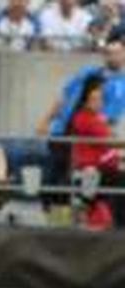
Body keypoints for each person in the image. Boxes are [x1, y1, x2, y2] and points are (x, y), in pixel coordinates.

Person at [37, 31, 125, 201]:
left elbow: (107, 118)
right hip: (61, 131)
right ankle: (52, 215)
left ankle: (66, 218)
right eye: (108, 52)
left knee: (72, 183)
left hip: (85, 139)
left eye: (117, 52)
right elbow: (64, 96)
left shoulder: (121, 85)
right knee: (53, 180)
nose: (111, 56)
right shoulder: (87, 71)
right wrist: (45, 121)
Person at [69, 75, 122, 229]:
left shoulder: (97, 118)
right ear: (85, 100)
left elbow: (111, 147)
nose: (98, 103)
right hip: (92, 173)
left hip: (105, 168)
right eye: (94, 99)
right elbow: (112, 142)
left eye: (100, 99)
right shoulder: (84, 119)